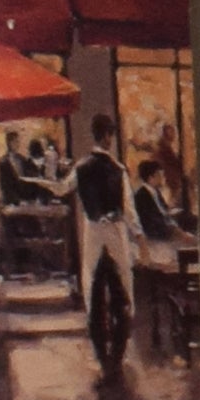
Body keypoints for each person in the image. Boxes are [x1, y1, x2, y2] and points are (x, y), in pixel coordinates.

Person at [74, 113, 141, 323]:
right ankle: (128, 312)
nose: (110, 140)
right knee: (124, 269)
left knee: (90, 271)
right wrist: (138, 234)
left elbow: (61, 189)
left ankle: (92, 315)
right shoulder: (118, 169)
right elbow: (129, 209)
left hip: (93, 225)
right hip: (115, 226)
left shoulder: (80, 168)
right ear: (106, 137)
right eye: (110, 135)